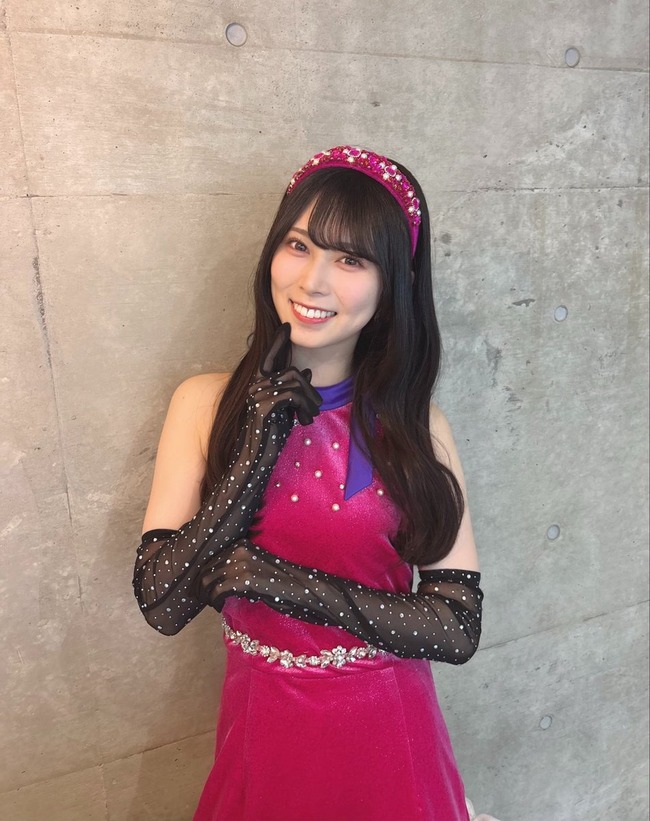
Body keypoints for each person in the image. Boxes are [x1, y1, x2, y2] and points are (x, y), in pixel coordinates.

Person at [133, 145, 484, 821]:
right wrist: (253, 454)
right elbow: (162, 601)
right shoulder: (203, 404)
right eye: (299, 245)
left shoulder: (417, 426)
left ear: (391, 285)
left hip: (391, 741)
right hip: (263, 733)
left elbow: (455, 623)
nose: (313, 280)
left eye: (351, 260)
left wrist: (274, 581)